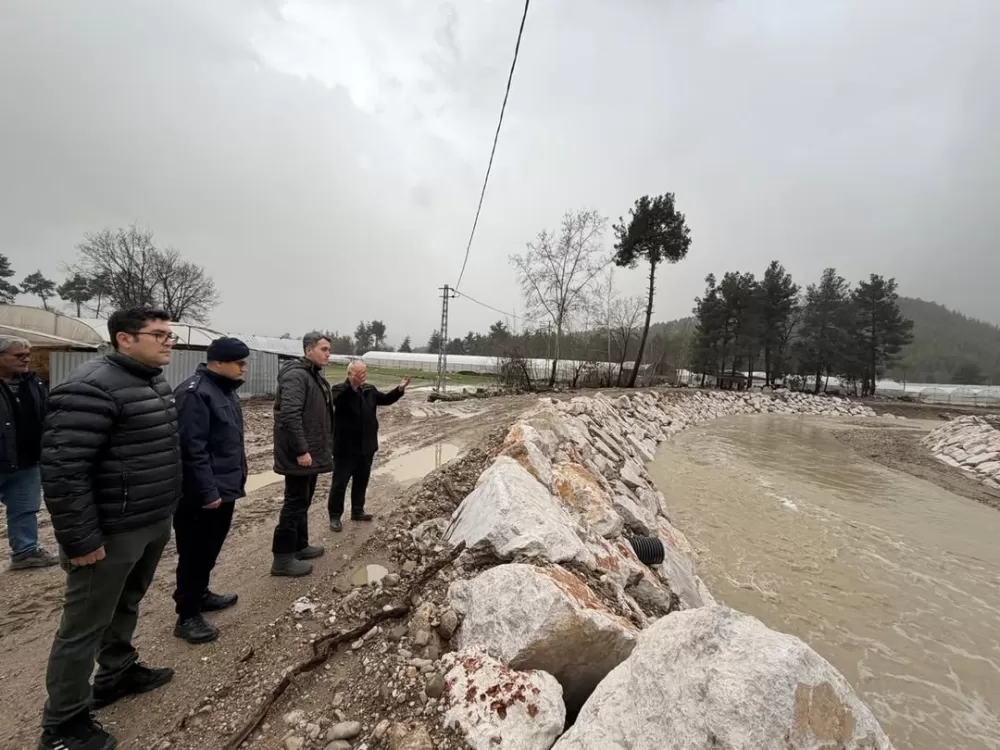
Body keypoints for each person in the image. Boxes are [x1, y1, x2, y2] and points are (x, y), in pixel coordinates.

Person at [38, 308, 181, 750]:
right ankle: (63, 724)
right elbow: (64, 471)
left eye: (170, 334)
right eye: (158, 334)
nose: (168, 342)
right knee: (84, 624)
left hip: (148, 520)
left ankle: (117, 672)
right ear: (124, 339)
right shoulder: (89, 386)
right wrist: (80, 539)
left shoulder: (151, 380)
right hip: (110, 530)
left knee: (127, 603)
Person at [172, 337, 250, 645]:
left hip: (224, 487)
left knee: (210, 548)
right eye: (239, 363)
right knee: (194, 551)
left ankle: (201, 594)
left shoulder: (224, 391)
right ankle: (187, 615)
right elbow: (192, 450)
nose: (243, 368)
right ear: (218, 362)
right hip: (202, 494)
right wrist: (207, 491)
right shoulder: (195, 394)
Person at [270, 331, 333, 577]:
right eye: (324, 349)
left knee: (303, 500)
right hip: (300, 455)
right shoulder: (297, 376)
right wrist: (301, 450)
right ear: (308, 350)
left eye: (329, 349)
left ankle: (300, 545)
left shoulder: (311, 375)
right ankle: (283, 558)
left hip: (311, 452)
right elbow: (290, 415)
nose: (328, 354)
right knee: (294, 503)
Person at [327, 360, 409, 531]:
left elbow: (386, 399)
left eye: (365, 372)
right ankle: (335, 516)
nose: (364, 376)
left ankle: (357, 511)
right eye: (359, 373)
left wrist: (399, 389)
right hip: (346, 449)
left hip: (367, 447)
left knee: (361, 480)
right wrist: (353, 386)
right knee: (339, 484)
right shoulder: (339, 389)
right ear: (349, 374)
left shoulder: (369, 389)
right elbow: (338, 401)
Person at [0, 335, 58, 570]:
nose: (26, 360)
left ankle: (25, 552)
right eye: (19, 356)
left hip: (26, 461)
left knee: (25, 509)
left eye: (27, 355)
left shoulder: (32, 382)